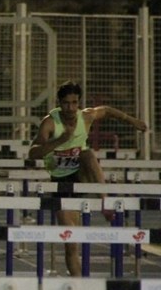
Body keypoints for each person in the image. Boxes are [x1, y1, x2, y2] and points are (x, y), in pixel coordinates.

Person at [28, 81, 148, 276]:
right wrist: (59, 141)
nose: (71, 108)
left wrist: (133, 121)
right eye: (66, 103)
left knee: (87, 155)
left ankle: (105, 201)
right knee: (71, 245)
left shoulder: (86, 117)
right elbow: (33, 153)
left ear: (79, 102)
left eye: (75, 103)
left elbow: (107, 110)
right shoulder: (50, 122)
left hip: (81, 172)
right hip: (60, 181)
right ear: (59, 103)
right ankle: (79, 288)